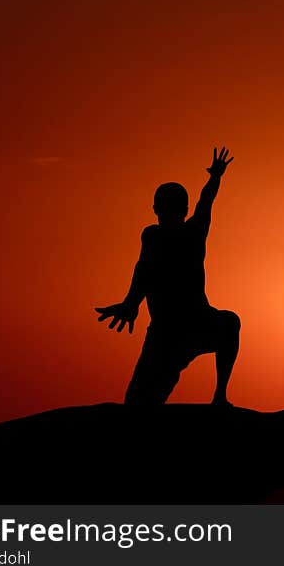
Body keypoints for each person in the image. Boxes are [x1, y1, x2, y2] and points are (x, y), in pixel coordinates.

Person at [95, 147, 239, 406]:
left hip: (196, 324)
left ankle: (219, 397)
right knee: (138, 404)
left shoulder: (191, 232)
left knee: (230, 323)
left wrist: (215, 178)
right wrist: (131, 303)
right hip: (165, 336)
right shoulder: (155, 236)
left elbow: (205, 202)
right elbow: (144, 270)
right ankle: (219, 398)